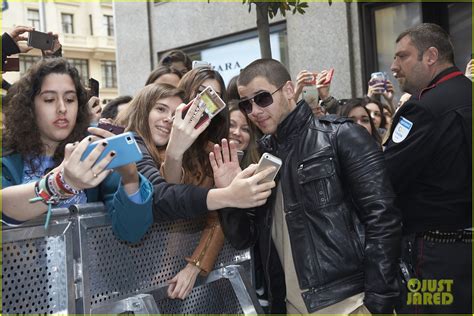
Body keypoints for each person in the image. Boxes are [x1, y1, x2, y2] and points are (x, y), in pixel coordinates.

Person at [217, 59, 402, 314]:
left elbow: (383, 219)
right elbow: (245, 238)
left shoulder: (341, 136)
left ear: (289, 90)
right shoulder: (266, 157)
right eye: (246, 104)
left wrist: (377, 302)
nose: (254, 111)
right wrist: (228, 195)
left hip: (350, 303)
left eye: (262, 98)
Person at [120, 80, 274, 300]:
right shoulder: (133, 145)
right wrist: (228, 195)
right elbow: (164, 196)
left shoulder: (209, 151)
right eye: (160, 109)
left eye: (215, 96)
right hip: (132, 271)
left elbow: (205, 214)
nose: (169, 118)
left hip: (179, 277)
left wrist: (196, 264)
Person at [2, 58, 153, 243]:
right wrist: (62, 182)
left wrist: (131, 179)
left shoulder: (95, 154)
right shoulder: (7, 159)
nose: (62, 108)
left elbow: (132, 233)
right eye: (49, 99)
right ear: (30, 107)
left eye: (70, 99)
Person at [386, 23, 472, 314]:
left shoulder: (423, 109)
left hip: (435, 256)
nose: (394, 66)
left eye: (402, 56)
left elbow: (387, 176)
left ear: (431, 56)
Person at [228, 100, 260, 167]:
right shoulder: (202, 163)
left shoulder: (256, 171)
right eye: (231, 125)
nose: (237, 132)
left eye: (245, 129)